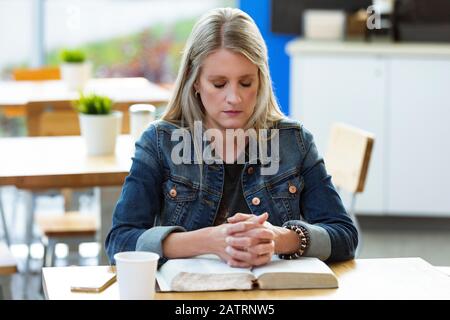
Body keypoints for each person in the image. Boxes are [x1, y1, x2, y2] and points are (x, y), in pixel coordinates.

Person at [105, 7, 358, 268]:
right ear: (195, 81)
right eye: (218, 83)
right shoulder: (159, 142)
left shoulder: (294, 141)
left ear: (260, 80)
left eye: (246, 83)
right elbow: (119, 243)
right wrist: (209, 240)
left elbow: (345, 236)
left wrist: (278, 238)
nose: (234, 98)